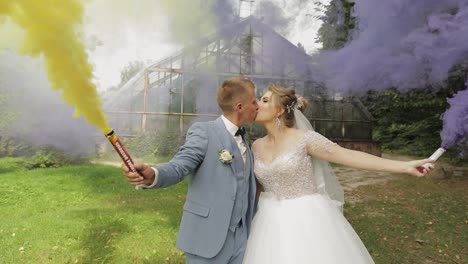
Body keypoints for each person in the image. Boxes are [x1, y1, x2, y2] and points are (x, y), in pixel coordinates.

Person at [242, 84, 434, 264]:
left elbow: (349, 156)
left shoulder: (304, 139)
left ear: (280, 110)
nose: (257, 104)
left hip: (305, 219)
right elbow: (258, 188)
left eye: (265, 100)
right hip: (268, 224)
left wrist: (405, 166)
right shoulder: (256, 146)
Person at [122, 77, 259, 264]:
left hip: (242, 241)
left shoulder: (245, 140)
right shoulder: (204, 132)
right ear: (240, 107)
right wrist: (153, 174)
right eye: (254, 101)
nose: (258, 106)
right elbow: (180, 165)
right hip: (207, 238)